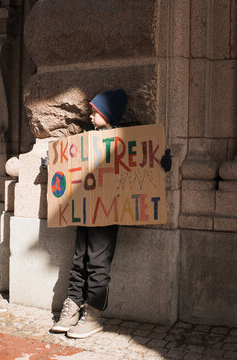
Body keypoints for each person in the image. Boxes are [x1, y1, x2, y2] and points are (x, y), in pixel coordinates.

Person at [46, 89, 171, 339]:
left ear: (108, 115)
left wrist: (159, 162)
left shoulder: (122, 140)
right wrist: (52, 163)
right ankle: (73, 302)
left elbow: (141, 160)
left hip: (108, 211)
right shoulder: (85, 139)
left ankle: (92, 313)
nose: (91, 116)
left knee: (98, 261)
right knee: (79, 257)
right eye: (92, 111)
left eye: (96, 112)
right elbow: (70, 164)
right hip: (85, 210)